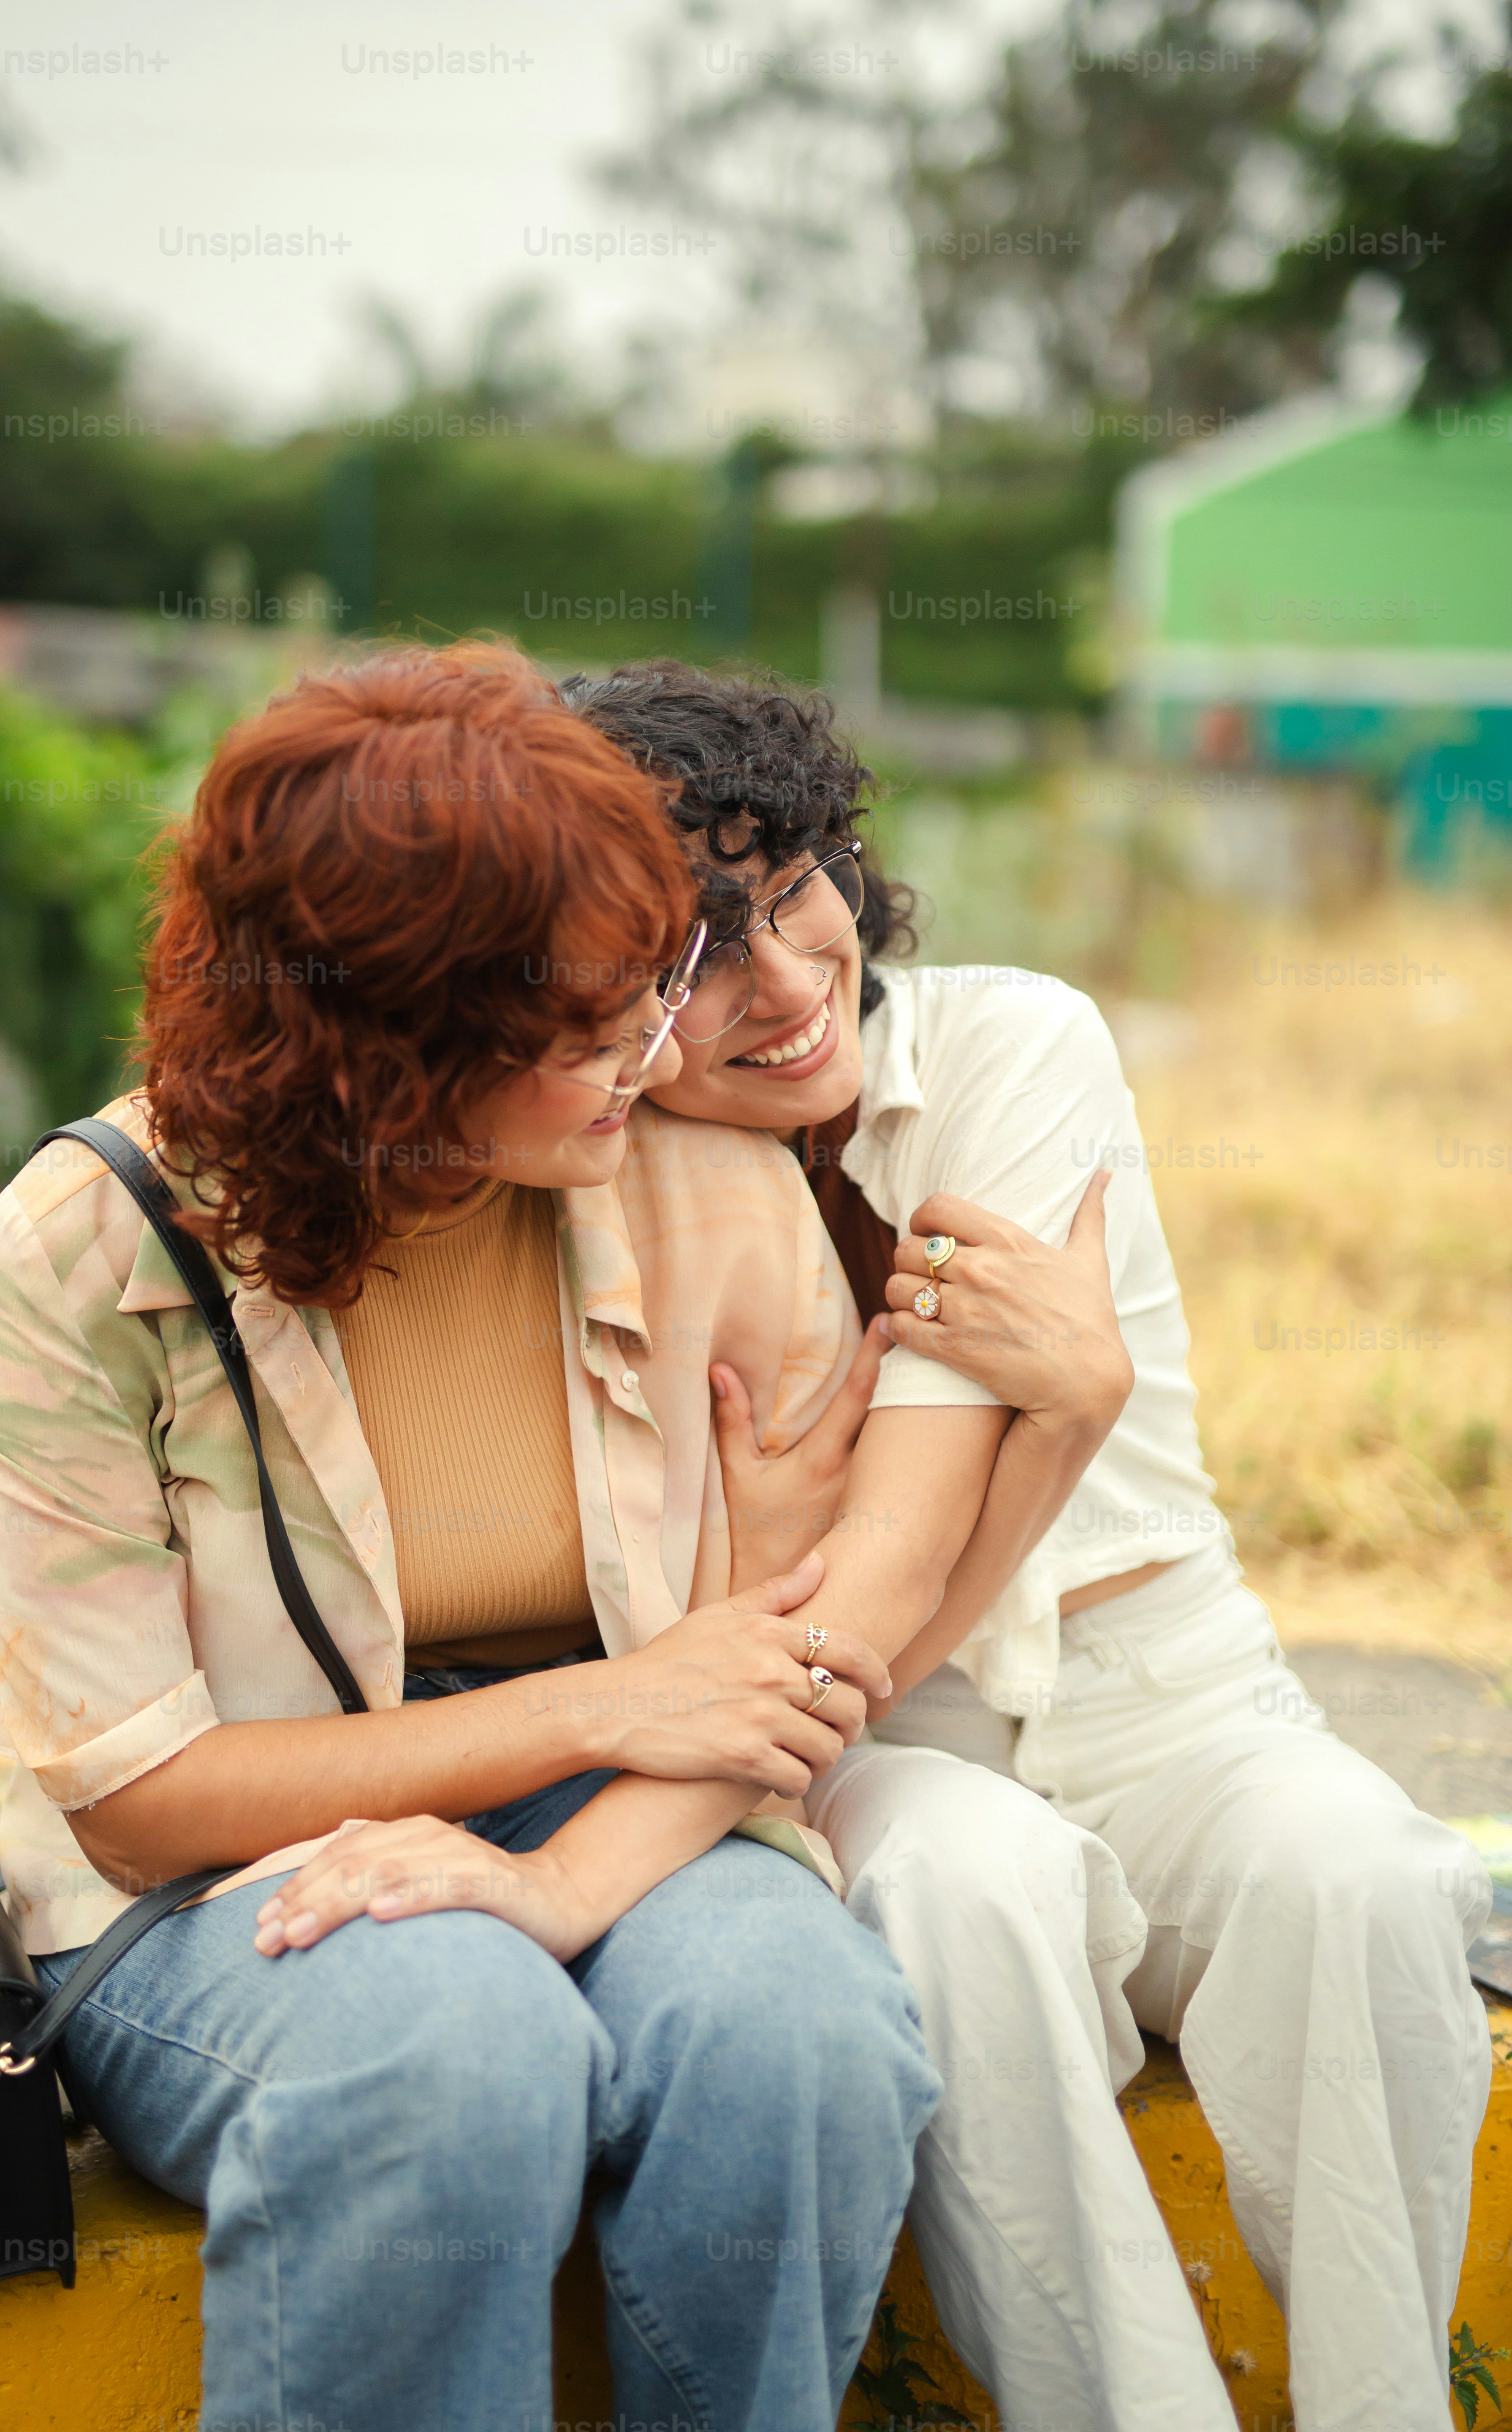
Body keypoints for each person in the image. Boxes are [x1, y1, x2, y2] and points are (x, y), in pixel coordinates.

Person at [0, 644, 940, 2432]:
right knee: (450, 2047)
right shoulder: (89, 1253)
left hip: (631, 1821)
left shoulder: (686, 1171)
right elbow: (138, 1796)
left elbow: (779, 1662)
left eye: (650, 998)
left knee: (796, 2033)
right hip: (215, 1890)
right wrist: (607, 1703)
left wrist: (614, 1776)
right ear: (396, 1059)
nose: (651, 1059)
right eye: (585, 1036)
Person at [569, 659, 1495, 2432]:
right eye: (698, 973)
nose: (782, 993)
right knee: (960, 1897)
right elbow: (826, 1616)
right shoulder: (615, 1171)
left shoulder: (1014, 1041)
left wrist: (1054, 1426)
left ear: (844, 863)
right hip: (873, 1737)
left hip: (1164, 1693)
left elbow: (880, 1553)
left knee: (1370, 1883)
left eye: (792, 902)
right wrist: (1065, 1417)